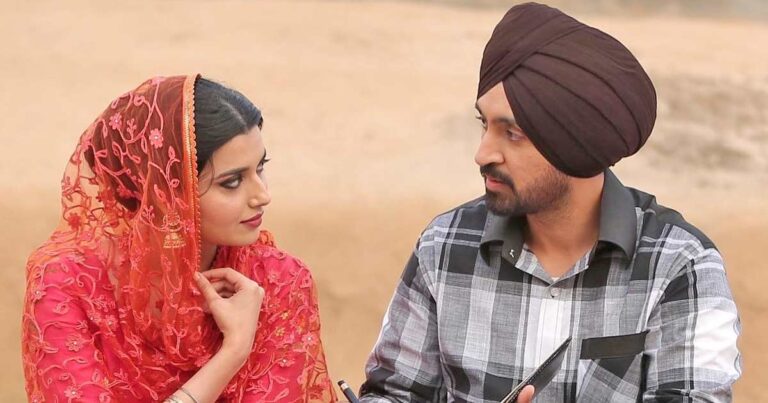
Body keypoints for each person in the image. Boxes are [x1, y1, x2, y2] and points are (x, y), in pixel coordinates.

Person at [360, 3, 741, 402]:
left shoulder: (678, 265)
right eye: (484, 124)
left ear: (574, 144)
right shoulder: (444, 245)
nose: (483, 153)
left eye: (513, 133)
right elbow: (393, 393)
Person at [21, 75, 337, 402]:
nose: (263, 195)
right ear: (165, 196)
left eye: (260, 168)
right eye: (232, 182)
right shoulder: (67, 285)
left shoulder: (278, 282)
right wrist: (232, 353)